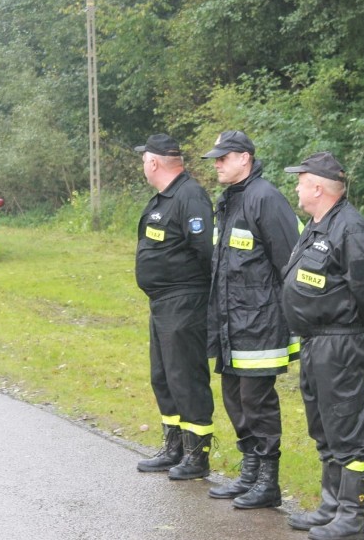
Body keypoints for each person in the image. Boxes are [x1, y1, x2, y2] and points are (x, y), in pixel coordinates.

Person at [280, 152, 364, 540]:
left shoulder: (350, 228)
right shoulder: (317, 225)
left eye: (300, 180)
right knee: (325, 428)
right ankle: (331, 507)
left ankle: (352, 518)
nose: (296, 187)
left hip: (340, 343)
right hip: (315, 342)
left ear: (317, 187)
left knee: (349, 431)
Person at [201, 130, 300, 508]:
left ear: (244, 158)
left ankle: (268, 482)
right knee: (233, 398)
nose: (218, 165)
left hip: (261, 323)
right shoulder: (229, 200)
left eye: (223, 158)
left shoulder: (266, 199)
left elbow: (289, 263)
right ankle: (249, 472)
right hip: (230, 322)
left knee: (257, 401)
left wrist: (292, 318)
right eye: (216, 159)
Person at [133, 134, 217, 479]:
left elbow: (207, 252)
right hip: (162, 303)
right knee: (164, 376)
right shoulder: (164, 198)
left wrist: (202, 301)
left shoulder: (189, 196)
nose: (143, 165)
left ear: (153, 163)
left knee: (186, 377)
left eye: (144, 160)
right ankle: (174, 447)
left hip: (185, 302)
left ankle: (197, 455)